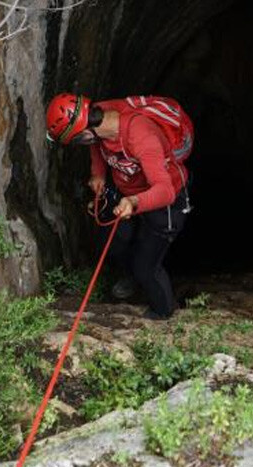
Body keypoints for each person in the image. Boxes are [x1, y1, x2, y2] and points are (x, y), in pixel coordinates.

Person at [45, 93, 193, 320]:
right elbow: (96, 145)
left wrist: (134, 203)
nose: (82, 144)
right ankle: (130, 277)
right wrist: (98, 174)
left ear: (85, 132)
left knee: (147, 267)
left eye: (77, 140)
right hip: (128, 192)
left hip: (164, 203)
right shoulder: (101, 117)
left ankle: (163, 313)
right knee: (113, 241)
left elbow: (165, 191)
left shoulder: (141, 137)